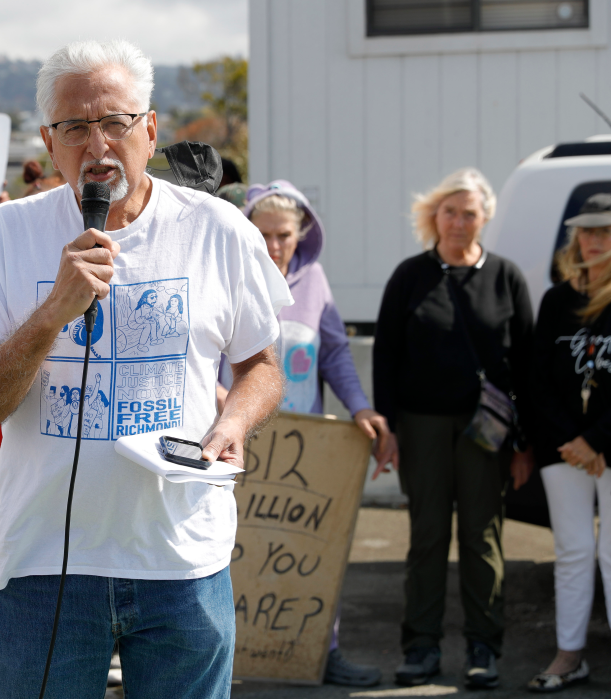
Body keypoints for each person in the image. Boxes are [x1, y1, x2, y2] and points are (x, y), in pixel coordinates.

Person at [0, 40, 291, 698]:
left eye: (116, 122)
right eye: (75, 127)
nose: (97, 145)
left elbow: (263, 367)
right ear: (49, 142)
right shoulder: (2, 235)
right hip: (47, 565)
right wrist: (53, 312)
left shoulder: (219, 230)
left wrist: (235, 422)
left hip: (182, 558)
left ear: (150, 129)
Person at [373, 167, 534, 689]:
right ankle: (421, 647)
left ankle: (484, 646)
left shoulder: (506, 277)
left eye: (469, 213)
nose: (458, 222)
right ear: (434, 216)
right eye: (449, 212)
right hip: (421, 426)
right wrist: (388, 429)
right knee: (428, 536)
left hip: (487, 431)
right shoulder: (409, 276)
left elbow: (527, 365)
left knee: (482, 536)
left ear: (485, 218)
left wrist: (523, 443)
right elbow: (386, 355)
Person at [235, 180, 391, 686]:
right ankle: (234, 654)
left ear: (301, 234)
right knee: (236, 548)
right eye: (263, 234)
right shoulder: (232, 275)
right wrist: (222, 404)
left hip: (304, 449)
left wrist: (361, 407)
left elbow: (336, 353)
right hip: (237, 442)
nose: (274, 245)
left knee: (311, 550)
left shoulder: (315, 281)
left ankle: (323, 652)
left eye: (283, 235)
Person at [527, 192, 611, 692]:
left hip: (603, 445)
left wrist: (596, 440)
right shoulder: (557, 300)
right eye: (587, 231)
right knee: (574, 550)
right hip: (564, 448)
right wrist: (572, 441)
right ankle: (569, 656)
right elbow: (537, 380)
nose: (595, 240)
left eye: (605, 231)